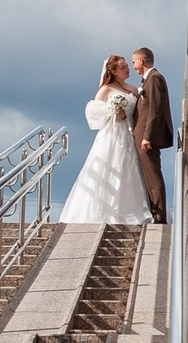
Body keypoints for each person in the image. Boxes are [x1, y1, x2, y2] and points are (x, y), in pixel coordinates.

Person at [58, 55, 151, 223]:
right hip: (114, 132)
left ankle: (130, 209)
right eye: (122, 67)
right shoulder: (107, 89)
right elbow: (93, 111)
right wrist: (113, 110)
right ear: (113, 71)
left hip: (132, 133)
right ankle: (106, 211)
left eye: (127, 66)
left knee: (130, 168)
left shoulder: (134, 89)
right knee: (111, 165)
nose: (127, 69)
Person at [131, 47, 174, 224]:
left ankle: (160, 217)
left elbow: (155, 110)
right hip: (142, 136)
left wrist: (147, 136)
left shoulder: (155, 78)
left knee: (153, 175)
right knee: (148, 176)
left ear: (142, 60)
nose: (133, 66)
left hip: (147, 138)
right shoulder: (148, 80)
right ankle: (154, 212)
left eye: (134, 62)